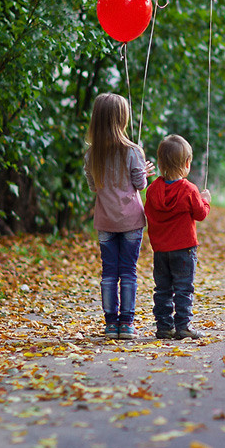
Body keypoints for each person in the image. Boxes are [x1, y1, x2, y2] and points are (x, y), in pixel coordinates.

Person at [84, 93, 149, 339]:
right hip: (131, 220)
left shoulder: (91, 155)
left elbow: (93, 187)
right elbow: (140, 185)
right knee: (128, 272)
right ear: (122, 119)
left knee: (109, 272)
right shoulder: (133, 151)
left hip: (105, 221)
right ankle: (127, 324)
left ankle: (111, 324)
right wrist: (143, 173)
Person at [145, 134, 211, 340]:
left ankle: (164, 326)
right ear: (187, 163)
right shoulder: (190, 190)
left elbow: (149, 213)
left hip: (161, 251)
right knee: (183, 288)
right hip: (184, 249)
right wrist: (205, 200)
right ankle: (183, 325)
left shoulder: (153, 189)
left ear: (160, 162)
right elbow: (200, 214)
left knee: (162, 289)